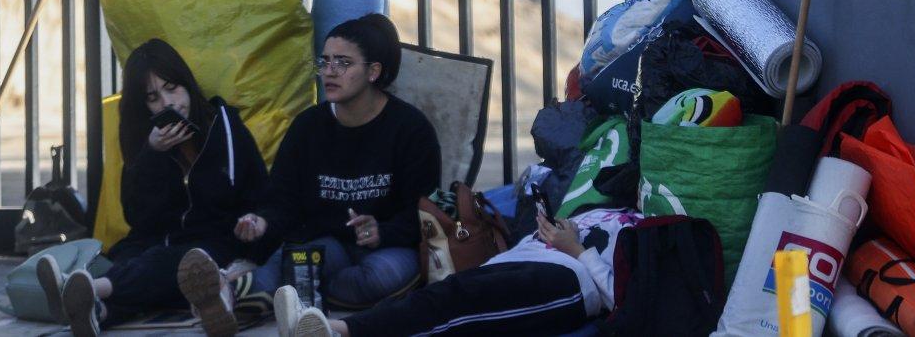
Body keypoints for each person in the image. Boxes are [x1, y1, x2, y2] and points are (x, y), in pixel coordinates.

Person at [180, 13, 442, 334]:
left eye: (343, 63)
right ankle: (228, 296)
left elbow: (423, 209)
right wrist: (262, 221)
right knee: (296, 263)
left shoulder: (410, 129)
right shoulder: (309, 126)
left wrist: (381, 231)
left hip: (389, 247)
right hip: (326, 243)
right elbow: (283, 199)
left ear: (373, 71)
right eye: (325, 61)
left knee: (374, 277)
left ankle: (283, 296)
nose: (329, 72)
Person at [34, 39, 271, 337]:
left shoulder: (225, 129)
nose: (167, 103)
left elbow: (261, 194)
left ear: (187, 84)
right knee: (138, 260)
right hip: (155, 240)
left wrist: (253, 221)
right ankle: (98, 311)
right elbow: (138, 216)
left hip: (215, 243)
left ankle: (87, 290)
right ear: (143, 105)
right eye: (153, 97)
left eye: (172, 88)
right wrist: (152, 155)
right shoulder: (144, 138)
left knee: (173, 263)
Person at [275, 207, 643, 337]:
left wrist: (575, 249)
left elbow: (624, 303)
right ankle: (333, 330)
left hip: (569, 281)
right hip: (517, 261)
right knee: (443, 298)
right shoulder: (604, 206)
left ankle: (338, 330)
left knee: (456, 306)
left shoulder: (654, 235)